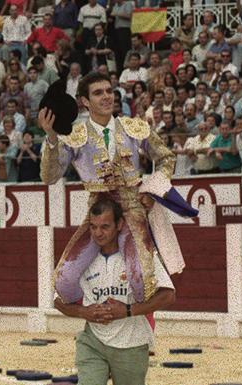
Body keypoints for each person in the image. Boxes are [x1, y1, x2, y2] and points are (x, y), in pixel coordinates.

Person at [38, 72, 188, 305]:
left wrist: (152, 191)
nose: (107, 97)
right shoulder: (74, 136)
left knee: (141, 280)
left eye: (109, 91)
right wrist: (51, 137)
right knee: (63, 281)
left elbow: (167, 158)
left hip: (133, 208)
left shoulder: (133, 128)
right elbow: (49, 177)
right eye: (98, 93)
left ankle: (134, 320)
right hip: (98, 213)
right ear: (85, 101)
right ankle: (94, 314)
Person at [53, 198, 175, 385]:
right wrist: (84, 312)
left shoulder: (140, 255)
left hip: (131, 344)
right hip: (92, 341)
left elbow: (168, 295)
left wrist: (127, 310)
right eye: (93, 227)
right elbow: (58, 300)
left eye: (104, 227)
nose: (98, 233)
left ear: (119, 224)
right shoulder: (82, 260)